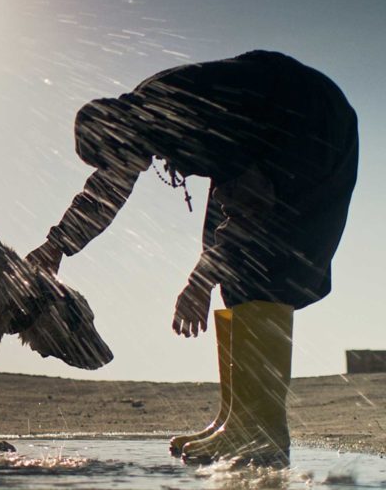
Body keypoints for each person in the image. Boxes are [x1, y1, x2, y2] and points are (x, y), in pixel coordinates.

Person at [26, 50, 359, 466]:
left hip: (310, 126)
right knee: (230, 262)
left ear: (122, 135)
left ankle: (262, 433)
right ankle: (236, 420)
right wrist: (57, 244)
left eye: (120, 159)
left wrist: (199, 282)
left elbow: (253, 204)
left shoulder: (176, 116)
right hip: (264, 140)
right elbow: (105, 192)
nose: (127, 170)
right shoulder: (141, 119)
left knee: (264, 265)